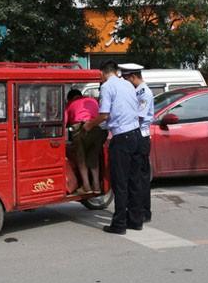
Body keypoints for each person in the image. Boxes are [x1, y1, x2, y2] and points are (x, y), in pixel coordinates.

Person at [84, 60, 143, 234]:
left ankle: (119, 224)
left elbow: (104, 115)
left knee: (120, 182)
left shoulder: (107, 87)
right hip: (135, 135)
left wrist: (89, 125)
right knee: (133, 181)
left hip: (122, 138)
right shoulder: (126, 84)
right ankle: (135, 220)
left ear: (102, 73)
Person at [121, 65, 154, 223]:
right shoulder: (136, 91)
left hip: (141, 136)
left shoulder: (144, 93)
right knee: (136, 176)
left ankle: (142, 212)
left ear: (133, 77)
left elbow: (139, 116)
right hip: (138, 135)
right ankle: (140, 211)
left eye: (126, 79)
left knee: (139, 177)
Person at [65, 89, 108, 194]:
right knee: (93, 158)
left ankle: (86, 186)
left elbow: (64, 122)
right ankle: (97, 186)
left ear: (70, 98)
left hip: (79, 128)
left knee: (81, 158)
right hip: (96, 128)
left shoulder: (70, 104)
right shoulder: (93, 101)